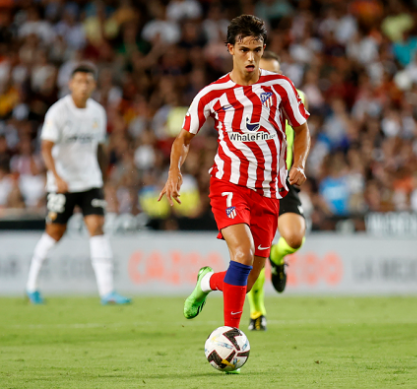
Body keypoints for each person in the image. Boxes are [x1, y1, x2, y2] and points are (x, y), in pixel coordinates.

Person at [158, 16, 310, 335]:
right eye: (244, 50)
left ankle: (206, 281)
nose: (251, 57)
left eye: (256, 49)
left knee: (247, 277)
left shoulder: (280, 86)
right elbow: (183, 139)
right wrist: (174, 171)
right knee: (242, 252)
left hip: (270, 191)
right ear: (230, 49)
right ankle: (231, 337)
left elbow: (301, 129)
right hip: (229, 185)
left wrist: (299, 163)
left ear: (263, 48)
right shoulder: (212, 94)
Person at [25, 65, 131, 305]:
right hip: (62, 183)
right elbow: (45, 148)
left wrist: (103, 179)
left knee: (97, 227)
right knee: (54, 232)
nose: (84, 86)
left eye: (88, 82)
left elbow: (100, 148)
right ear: (71, 84)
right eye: (80, 81)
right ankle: (31, 286)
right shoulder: (58, 112)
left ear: (94, 86)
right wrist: (56, 176)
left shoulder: (97, 112)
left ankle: (107, 292)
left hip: (90, 181)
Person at [246, 51, 310, 331]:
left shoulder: (296, 97)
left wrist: (298, 164)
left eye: (276, 74)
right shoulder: (242, 99)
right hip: (253, 183)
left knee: (294, 238)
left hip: (282, 181)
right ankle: (257, 312)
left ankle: (278, 256)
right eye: (265, 73)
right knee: (251, 252)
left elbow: (301, 133)